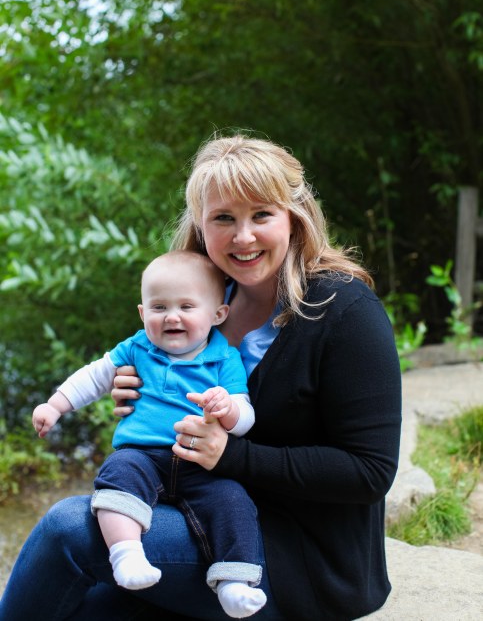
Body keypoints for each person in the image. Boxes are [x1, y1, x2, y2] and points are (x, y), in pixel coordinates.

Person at [0, 133, 402, 621]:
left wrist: (231, 454)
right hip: (191, 513)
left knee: (68, 530)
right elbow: (158, 401)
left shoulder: (345, 312)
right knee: (77, 608)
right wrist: (138, 391)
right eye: (223, 218)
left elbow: (369, 472)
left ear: (294, 217)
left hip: (296, 558)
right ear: (200, 224)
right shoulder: (200, 302)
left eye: (261, 215)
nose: (243, 236)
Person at [31, 250, 267, 619]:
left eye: (186, 306)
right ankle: (126, 555)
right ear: (143, 313)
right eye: (159, 307)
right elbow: (94, 376)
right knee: (117, 475)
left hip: (201, 464)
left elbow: (245, 417)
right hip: (142, 455)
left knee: (233, 501)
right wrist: (55, 406)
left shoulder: (225, 359)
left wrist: (229, 410)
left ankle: (234, 582)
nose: (172, 316)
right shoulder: (138, 347)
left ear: (218, 314)